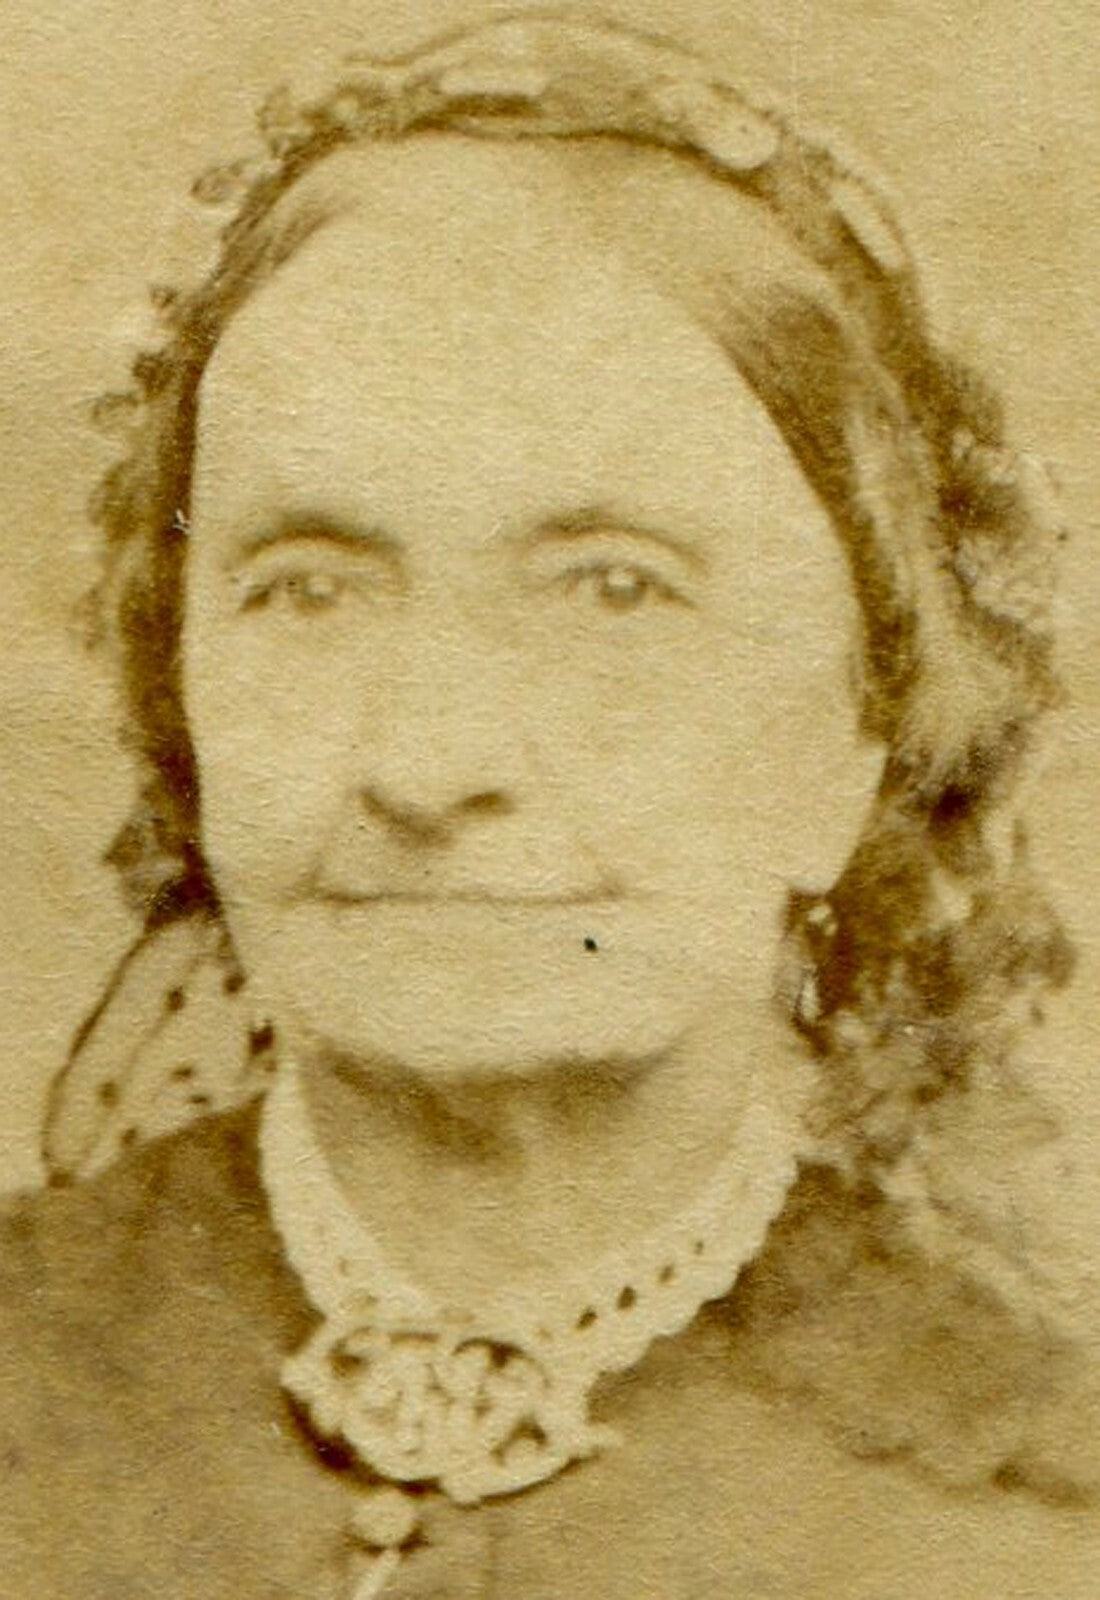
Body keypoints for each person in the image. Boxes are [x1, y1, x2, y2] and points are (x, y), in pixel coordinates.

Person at [2, 12, 1097, 1598]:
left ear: (864, 725)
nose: (428, 762)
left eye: (613, 590)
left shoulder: (1042, 1511)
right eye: (308, 588)